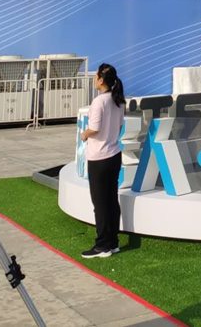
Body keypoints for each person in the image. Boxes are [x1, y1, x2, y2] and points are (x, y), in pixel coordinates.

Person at [80, 63, 125, 258]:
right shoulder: (118, 101)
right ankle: (112, 242)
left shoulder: (99, 102)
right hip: (114, 155)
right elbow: (119, 124)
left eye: (96, 75)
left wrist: (84, 134)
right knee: (111, 200)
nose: (93, 78)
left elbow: (95, 128)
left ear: (100, 80)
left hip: (99, 158)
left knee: (100, 203)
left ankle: (102, 245)